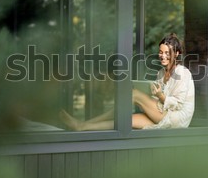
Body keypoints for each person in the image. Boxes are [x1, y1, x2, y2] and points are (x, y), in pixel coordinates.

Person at [59, 33, 195, 130]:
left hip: (177, 118)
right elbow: (157, 99)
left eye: (167, 53)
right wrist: (151, 97)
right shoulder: (161, 72)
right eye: (161, 52)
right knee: (125, 121)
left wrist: (158, 96)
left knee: (134, 94)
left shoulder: (182, 72)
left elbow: (177, 104)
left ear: (176, 54)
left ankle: (86, 122)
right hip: (163, 112)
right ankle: (82, 126)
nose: (163, 56)